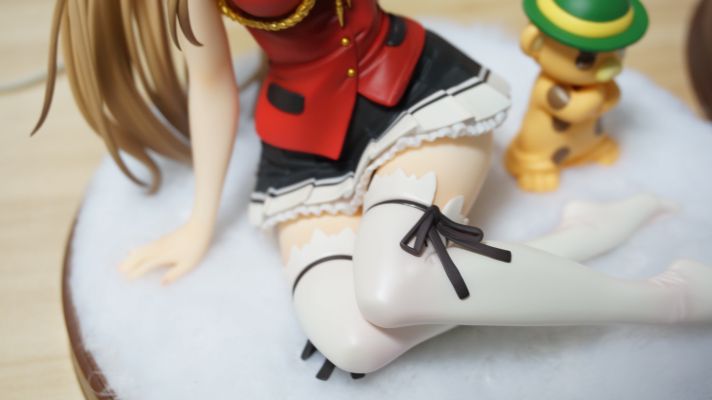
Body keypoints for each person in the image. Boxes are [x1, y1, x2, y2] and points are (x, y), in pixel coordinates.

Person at [35, 0, 712, 380]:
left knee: (389, 288)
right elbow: (210, 83)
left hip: (409, 98)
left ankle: (663, 298)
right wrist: (199, 220)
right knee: (355, 340)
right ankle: (574, 239)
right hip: (306, 144)